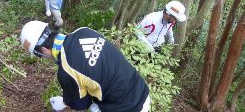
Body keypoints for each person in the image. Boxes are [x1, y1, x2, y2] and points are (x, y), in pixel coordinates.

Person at [20, 21, 151, 112]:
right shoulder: (84, 31)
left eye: (41, 56)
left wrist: (65, 101)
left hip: (127, 108)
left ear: (43, 50)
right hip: (141, 89)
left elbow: (82, 103)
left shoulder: (66, 71)